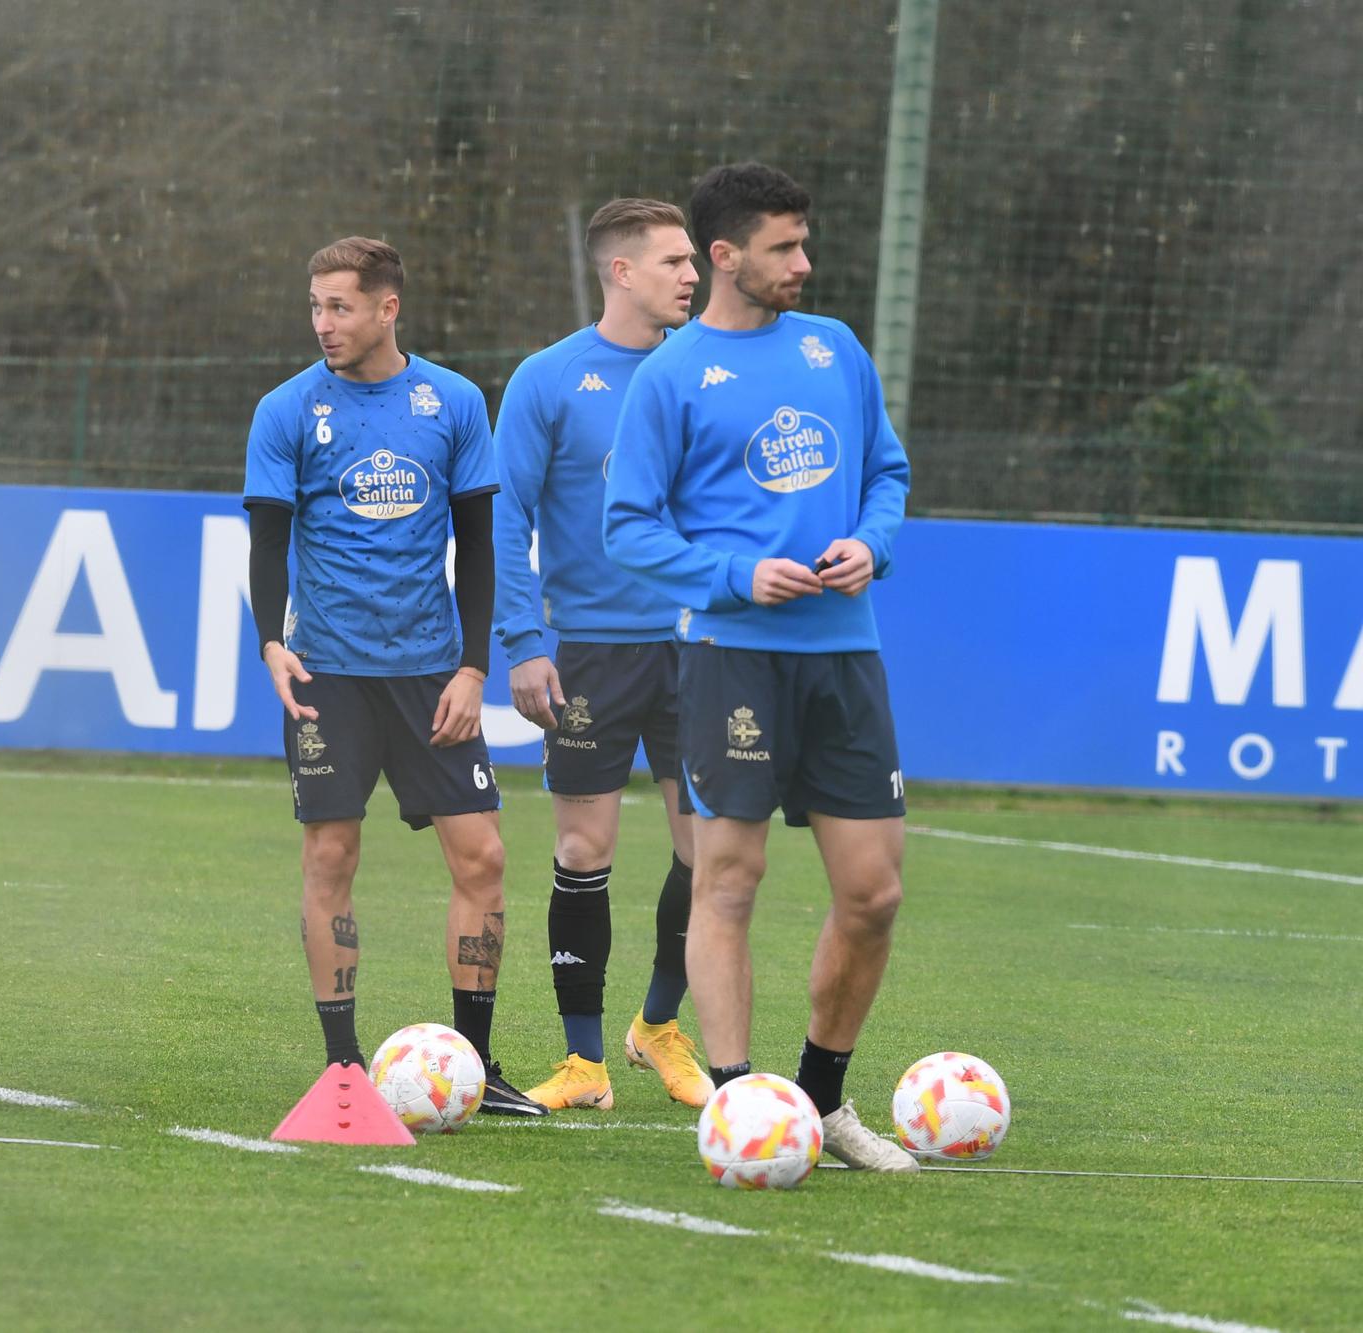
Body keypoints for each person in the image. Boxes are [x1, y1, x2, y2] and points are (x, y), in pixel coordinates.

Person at [603, 162, 919, 1170]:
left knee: (872, 893)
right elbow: (627, 529)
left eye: (802, 242)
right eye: (783, 247)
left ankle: (819, 1101)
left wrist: (872, 543)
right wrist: (737, 573)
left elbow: (885, 473)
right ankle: (741, 1107)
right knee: (727, 882)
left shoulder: (834, 349)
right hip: (732, 658)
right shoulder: (670, 375)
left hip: (844, 659)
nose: (803, 263)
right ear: (726, 255)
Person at [243, 236, 545, 1116]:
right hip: (327, 674)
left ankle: (478, 1070)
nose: (323, 323)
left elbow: (481, 546)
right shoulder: (287, 409)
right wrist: (272, 641)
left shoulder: (451, 402)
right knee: (331, 852)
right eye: (315, 306)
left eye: (340, 306)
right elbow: (267, 540)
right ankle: (342, 1065)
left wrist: (472, 666)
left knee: (482, 857)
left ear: (388, 308)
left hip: (430, 677)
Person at [491, 198, 715, 1112]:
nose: (693, 275)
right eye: (674, 261)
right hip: (586, 649)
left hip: (702, 646)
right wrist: (522, 641)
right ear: (621, 272)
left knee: (711, 849)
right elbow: (504, 515)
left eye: (694, 260)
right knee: (584, 847)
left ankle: (657, 1025)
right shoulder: (548, 379)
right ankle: (583, 1063)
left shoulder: (712, 373)